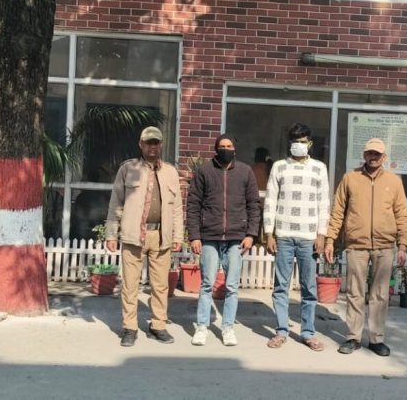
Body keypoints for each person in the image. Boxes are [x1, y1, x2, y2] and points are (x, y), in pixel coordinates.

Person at [324, 138, 407, 357]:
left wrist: (402, 244)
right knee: (355, 292)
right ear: (364, 155)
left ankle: (376, 339)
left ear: (384, 157)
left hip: (384, 245)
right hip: (357, 245)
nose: (373, 157)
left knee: (380, 295)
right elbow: (338, 211)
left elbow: (401, 214)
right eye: (370, 153)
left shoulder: (394, 181)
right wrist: (330, 239)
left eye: (377, 154)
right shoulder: (350, 178)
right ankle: (353, 337)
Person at [105, 126, 183, 347]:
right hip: (134, 235)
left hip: (161, 235)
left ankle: (158, 325)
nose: (152, 147)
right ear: (141, 145)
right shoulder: (128, 169)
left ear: (161, 145)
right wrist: (111, 234)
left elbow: (177, 207)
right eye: (148, 143)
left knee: (160, 285)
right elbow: (116, 202)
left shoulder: (170, 172)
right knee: (130, 285)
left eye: (156, 143)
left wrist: (177, 235)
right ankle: (130, 328)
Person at [187, 134, 260, 346]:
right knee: (207, 284)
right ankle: (202, 326)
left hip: (236, 238)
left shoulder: (245, 172)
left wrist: (251, 234)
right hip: (210, 236)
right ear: (216, 149)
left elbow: (253, 205)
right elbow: (193, 204)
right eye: (222, 146)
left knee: (232, 286)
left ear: (234, 149)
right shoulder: (205, 171)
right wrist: (194, 236)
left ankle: (228, 328)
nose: (225, 149)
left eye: (229, 146)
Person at [263, 123, 330, 351]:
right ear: (289, 143)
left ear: (309, 143)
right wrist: (269, 232)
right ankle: (281, 331)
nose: (298, 145)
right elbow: (270, 200)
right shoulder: (279, 167)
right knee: (281, 287)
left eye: (302, 141)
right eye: (294, 141)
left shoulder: (319, 168)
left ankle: (308, 332)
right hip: (283, 235)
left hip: (309, 237)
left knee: (308, 289)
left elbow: (324, 203)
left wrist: (321, 234)